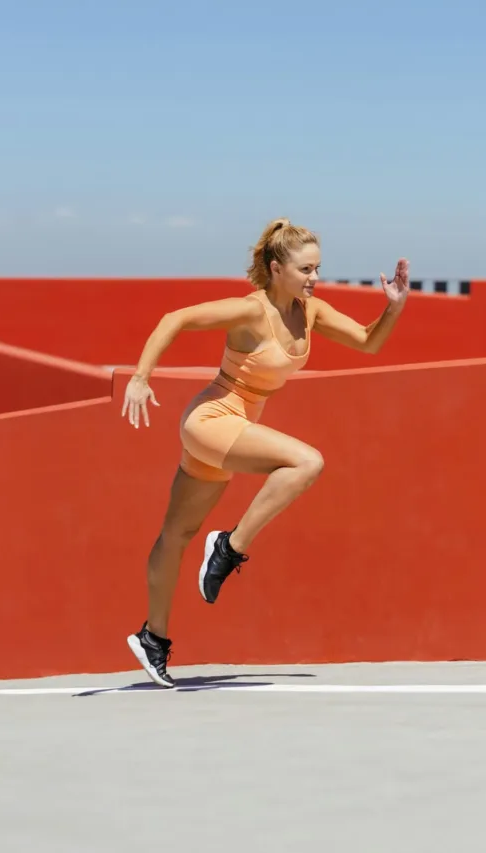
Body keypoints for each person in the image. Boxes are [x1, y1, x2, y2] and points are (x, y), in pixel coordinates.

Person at [123, 218, 410, 687]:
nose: (314, 278)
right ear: (276, 268)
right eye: (305, 269)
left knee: (175, 535)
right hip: (212, 419)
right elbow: (174, 319)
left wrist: (393, 308)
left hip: (234, 428)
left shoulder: (311, 311)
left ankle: (153, 638)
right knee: (306, 461)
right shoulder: (249, 311)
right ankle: (230, 547)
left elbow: (368, 341)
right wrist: (140, 378)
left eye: (318, 268)